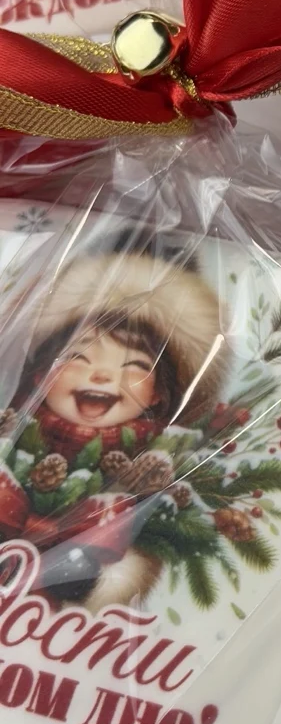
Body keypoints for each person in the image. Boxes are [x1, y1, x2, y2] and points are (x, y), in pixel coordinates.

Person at [0, 251, 225, 610]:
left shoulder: (154, 457)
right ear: (41, 373)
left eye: (133, 365)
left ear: (160, 393)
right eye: (78, 357)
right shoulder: (14, 429)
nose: (103, 375)